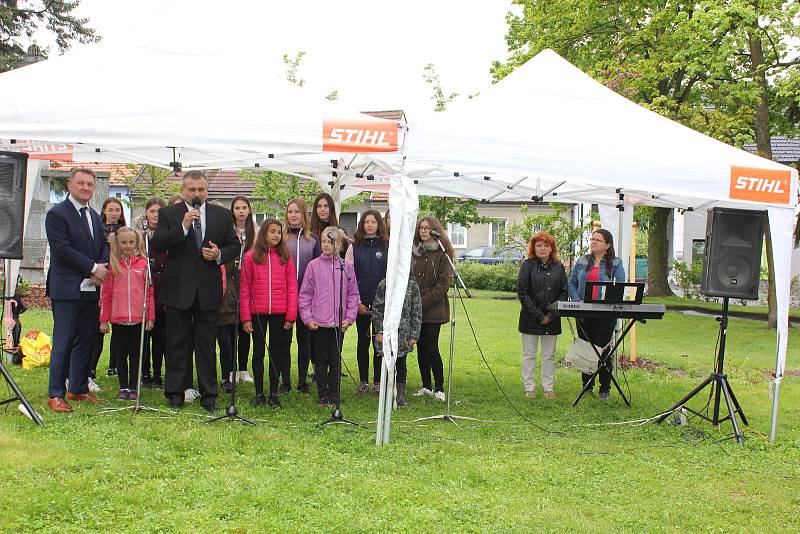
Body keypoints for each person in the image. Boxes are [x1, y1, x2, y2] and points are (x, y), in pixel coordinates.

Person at [150, 171, 240, 412]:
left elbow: (235, 246)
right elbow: (157, 243)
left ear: (207, 191)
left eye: (201, 189)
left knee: (207, 345)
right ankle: (175, 394)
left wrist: (219, 254)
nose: (197, 194)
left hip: (207, 289)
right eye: (192, 190)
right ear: (183, 191)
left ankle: (209, 395)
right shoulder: (170, 213)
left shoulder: (221, 215)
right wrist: (183, 226)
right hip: (178, 288)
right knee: (177, 342)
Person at [44, 168, 109, 412]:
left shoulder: (93, 214)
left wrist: (101, 267)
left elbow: (103, 244)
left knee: (86, 340)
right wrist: (93, 267)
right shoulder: (57, 214)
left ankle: (78, 388)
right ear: (69, 185)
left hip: (90, 288)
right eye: (81, 183)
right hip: (67, 289)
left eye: (90, 184)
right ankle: (56, 393)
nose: (86, 188)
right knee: (64, 342)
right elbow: (62, 249)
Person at [239, 218, 297, 407]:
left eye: (278, 232)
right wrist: (245, 316)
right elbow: (245, 289)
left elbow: (292, 287)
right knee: (258, 352)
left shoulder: (286, 257)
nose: (275, 235)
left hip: (280, 312)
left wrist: (291, 315)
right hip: (258, 313)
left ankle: (273, 392)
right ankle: (259, 393)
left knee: (276, 352)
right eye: (272, 231)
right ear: (264, 233)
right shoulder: (250, 257)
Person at [298, 227, 359, 407]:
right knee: (321, 360)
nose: (326, 244)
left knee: (335, 358)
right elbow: (305, 294)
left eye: (330, 241)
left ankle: (334, 392)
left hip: (338, 323)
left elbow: (353, 294)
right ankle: (323, 394)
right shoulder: (313, 266)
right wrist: (308, 318)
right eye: (324, 241)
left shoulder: (346, 268)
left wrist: (349, 318)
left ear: (339, 244)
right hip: (319, 323)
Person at [568, 228, 626, 401]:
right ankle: (587, 385)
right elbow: (572, 283)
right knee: (586, 348)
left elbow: (620, 286)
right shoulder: (582, 260)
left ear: (607, 245)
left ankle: (605, 388)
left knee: (604, 350)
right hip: (584, 311)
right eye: (592, 239)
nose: (593, 242)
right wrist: (578, 301)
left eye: (598, 240)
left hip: (605, 313)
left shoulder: (615, 263)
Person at [99, 227, 155, 400]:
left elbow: (149, 292)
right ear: (117, 243)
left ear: (137, 242)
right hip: (119, 319)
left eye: (131, 242)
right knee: (121, 355)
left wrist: (150, 316)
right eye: (124, 242)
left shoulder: (143, 264)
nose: (128, 246)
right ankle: (123, 387)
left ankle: (134, 387)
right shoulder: (113, 266)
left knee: (136, 355)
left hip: (139, 319)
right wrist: (103, 320)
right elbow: (106, 294)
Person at [517, 231, 568, 399]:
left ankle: (548, 388)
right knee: (529, 354)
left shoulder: (559, 267)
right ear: (533, 247)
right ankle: (529, 388)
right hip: (530, 318)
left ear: (551, 248)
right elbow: (523, 293)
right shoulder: (527, 265)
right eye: (539, 245)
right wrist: (539, 315)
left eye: (546, 245)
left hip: (552, 319)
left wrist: (551, 315)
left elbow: (563, 293)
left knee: (549, 355)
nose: (542, 249)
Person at [345, 210, 389, 394]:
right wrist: (357, 303)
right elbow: (348, 277)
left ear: (379, 224)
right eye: (366, 222)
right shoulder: (354, 247)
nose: (370, 225)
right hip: (361, 304)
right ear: (362, 225)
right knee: (363, 343)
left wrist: (384, 303)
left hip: (381, 306)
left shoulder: (387, 246)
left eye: (373, 221)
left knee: (379, 344)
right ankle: (363, 381)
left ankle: (378, 382)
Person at [411, 217, 453, 401]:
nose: (423, 230)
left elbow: (443, 284)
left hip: (434, 308)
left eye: (427, 228)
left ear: (435, 230)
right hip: (416, 306)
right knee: (420, 347)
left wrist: (424, 302)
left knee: (431, 346)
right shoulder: (415, 252)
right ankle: (426, 385)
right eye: (421, 227)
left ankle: (440, 387)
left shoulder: (443, 254)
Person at [284, 197, 320, 393]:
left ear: (304, 214)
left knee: (304, 340)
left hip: (307, 299)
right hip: (286, 297)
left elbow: (316, 269)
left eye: (297, 211)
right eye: (290, 212)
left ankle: (302, 381)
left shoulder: (312, 239)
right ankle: (286, 381)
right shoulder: (280, 237)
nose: (293, 215)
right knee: (284, 340)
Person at [91, 197, 126, 383]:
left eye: (117, 210)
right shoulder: (97, 230)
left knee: (119, 327)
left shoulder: (124, 232)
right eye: (111, 210)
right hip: (100, 278)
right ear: (104, 211)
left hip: (120, 282)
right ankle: (91, 368)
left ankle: (116, 365)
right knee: (99, 326)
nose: (114, 213)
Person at [372, 276, 422, 406]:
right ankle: (386, 393)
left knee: (401, 363)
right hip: (386, 332)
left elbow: (416, 310)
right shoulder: (384, 283)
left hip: (404, 333)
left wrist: (414, 335)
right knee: (385, 362)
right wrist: (379, 330)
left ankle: (400, 395)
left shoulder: (411, 285)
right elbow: (377, 309)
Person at [138, 197, 167, 389]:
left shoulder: (168, 234)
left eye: (159, 212)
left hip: (164, 288)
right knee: (143, 335)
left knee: (160, 336)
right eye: (152, 211)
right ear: (146, 213)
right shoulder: (140, 236)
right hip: (144, 287)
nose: (156, 215)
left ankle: (158, 374)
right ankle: (144, 373)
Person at [229, 195, 257, 384]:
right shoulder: (227, 230)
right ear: (233, 211)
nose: (241, 211)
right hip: (231, 282)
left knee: (246, 327)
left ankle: (243, 369)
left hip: (249, 282)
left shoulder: (256, 231)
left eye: (244, 207)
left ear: (249, 210)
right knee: (232, 328)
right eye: (237, 208)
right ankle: (231, 369)